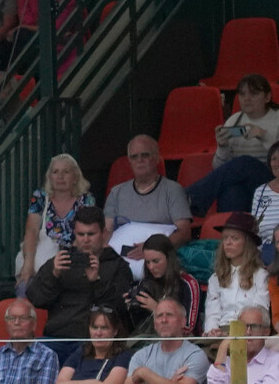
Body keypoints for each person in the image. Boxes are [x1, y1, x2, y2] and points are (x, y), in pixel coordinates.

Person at [25, 207, 135, 350]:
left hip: (95, 341)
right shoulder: (60, 261)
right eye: (81, 234)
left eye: (91, 234)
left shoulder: (118, 265)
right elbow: (36, 299)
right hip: (57, 335)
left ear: (103, 233)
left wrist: (96, 281)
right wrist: (54, 275)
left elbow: (121, 308)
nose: (86, 240)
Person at [186, 74, 279, 215]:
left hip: (272, 180)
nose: (246, 99)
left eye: (253, 93)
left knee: (244, 162)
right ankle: (229, 234)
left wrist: (263, 136)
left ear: (267, 97)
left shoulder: (276, 118)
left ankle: (189, 198)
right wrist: (222, 147)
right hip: (246, 185)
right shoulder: (234, 121)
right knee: (231, 191)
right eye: (242, 94)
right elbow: (219, 167)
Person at [104, 135, 192, 255]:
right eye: (134, 157)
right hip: (121, 259)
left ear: (156, 158)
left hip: (160, 256)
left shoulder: (173, 190)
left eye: (145, 155)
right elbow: (107, 232)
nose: (139, 160)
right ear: (129, 162)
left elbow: (184, 233)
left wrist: (153, 248)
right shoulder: (116, 192)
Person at [18, 153, 95, 287]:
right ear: (50, 177)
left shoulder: (86, 199)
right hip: (41, 256)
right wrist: (28, 264)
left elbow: (87, 231)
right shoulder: (40, 197)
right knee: (25, 283)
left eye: (66, 172)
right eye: (55, 172)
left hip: (74, 255)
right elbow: (31, 230)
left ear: (75, 177)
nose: (60, 177)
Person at [205, 212, 269, 333]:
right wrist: (212, 330)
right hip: (222, 331)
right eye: (225, 238)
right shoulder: (215, 278)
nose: (228, 243)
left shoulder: (260, 275)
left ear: (248, 243)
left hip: (249, 330)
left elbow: (260, 311)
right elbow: (212, 313)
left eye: (234, 238)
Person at [127, 235, 200, 334]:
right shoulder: (144, 284)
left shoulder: (188, 283)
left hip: (181, 343)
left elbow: (188, 328)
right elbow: (136, 328)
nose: (151, 267)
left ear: (169, 258)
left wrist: (157, 310)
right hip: (148, 341)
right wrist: (129, 310)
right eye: (147, 262)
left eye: (156, 261)